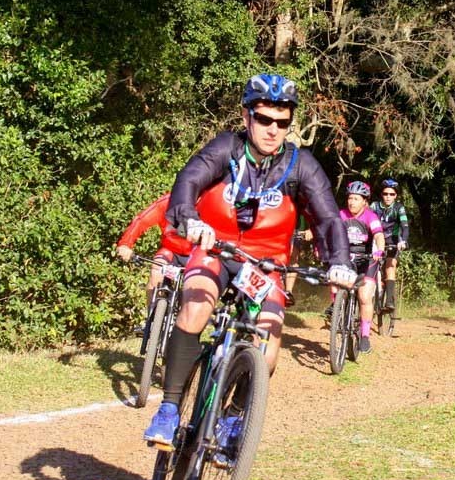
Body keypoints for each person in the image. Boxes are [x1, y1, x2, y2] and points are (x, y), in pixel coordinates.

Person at [142, 74, 356, 446]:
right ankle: (169, 409)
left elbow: (327, 218)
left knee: (268, 348)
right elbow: (189, 179)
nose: (273, 130)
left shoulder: (300, 165)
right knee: (195, 306)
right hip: (216, 250)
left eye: (282, 123)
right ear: (246, 116)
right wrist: (189, 220)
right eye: (264, 119)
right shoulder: (226, 148)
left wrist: (339, 261)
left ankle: (233, 416)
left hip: (265, 266)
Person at [114, 192, 192, 322]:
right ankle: (151, 321)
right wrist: (125, 244)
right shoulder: (166, 202)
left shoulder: (206, 203)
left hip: (197, 254)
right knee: (156, 271)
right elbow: (142, 220)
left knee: (194, 289)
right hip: (170, 251)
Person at [339, 180, 385, 353]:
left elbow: (379, 235)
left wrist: (379, 250)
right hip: (347, 257)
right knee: (334, 277)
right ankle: (337, 307)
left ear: (365, 201)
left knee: (364, 296)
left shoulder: (370, 217)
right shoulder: (341, 214)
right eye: (350, 198)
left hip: (368, 259)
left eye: (356, 199)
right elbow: (331, 230)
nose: (352, 202)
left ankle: (365, 336)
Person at [371, 178, 410, 320]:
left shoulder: (399, 208)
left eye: (392, 194)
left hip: (392, 241)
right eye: (385, 193)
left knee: (390, 265)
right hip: (375, 240)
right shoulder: (374, 206)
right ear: (381, 194)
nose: (388, 196)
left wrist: (403, 240)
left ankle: (389, 301)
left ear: (396, 195)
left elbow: (405, 226)